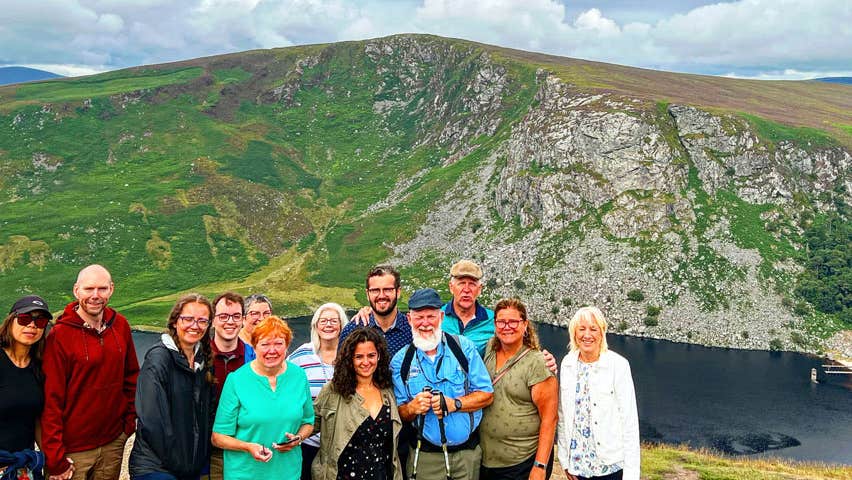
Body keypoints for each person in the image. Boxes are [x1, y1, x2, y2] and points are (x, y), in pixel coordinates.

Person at [41, 264, 139, 480]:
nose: (96, 295)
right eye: (88, 289)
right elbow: (51, 400)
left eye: (102, 289)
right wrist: (55, 458)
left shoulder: (120, 325)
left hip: (113, 442)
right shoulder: (60, 335)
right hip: (72, 449)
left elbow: (132, 377)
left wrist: (128, 424)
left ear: (111, 289)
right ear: (76, 291)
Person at [391, 288, 494, 480]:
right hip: (425, 458)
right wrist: (412, 407)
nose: (425, 323)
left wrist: (454, 404)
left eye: (431, 316)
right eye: (419, 317)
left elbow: (487, 395)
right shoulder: (400, 361)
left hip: (466, 455)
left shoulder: (464, 348)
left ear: (441, 317)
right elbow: (399, 412)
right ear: (409, 319)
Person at [212, 316, 314, 480]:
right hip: (245, 474)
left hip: (288, 473)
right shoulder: (237, 380)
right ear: (254, 346)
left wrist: (298, 438)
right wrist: (248, 447)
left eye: (278, 344)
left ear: (287, 345)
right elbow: (218, 437)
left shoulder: (299, 376)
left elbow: (308, 422)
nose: (272, 350)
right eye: (265, 344)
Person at [129, 294, 215, 480]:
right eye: (188, 319)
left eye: (202, 321)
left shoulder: (202, 362)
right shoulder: (159, 359)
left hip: (189, 466)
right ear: (175, 322)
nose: (195, 326)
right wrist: (179, 464)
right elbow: (153, 421)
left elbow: (205, 415)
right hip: (156, 465)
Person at [557, 307, 639, 480]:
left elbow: (629, 422)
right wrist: (565, 460)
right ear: (574, 333)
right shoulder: (567, 363)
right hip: (578, 465)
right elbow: (563, 415)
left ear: (602, 333)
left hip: (610, 467)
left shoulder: (618, 365)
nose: (587, 335)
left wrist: (631, 475)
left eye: (593, 329)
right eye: (582, 329)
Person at [480, 299, 557, 480]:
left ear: (525, 325)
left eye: (513, 322)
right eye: (501, 322)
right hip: (487, 461)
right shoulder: (490, 349)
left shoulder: (538, 363)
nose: (507, 327)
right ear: (495, 325)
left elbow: (550, 418)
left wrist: (540, 466)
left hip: (521, 462)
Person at [312, 327, 403, 480]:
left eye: (371, 355)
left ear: (379, 356)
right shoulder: (333, 391)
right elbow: (309, 424)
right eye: (359, 357)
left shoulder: (388, 391)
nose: (366, 362)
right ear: (349, 359)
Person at [441, 260, 558, 373]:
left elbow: (518, 346)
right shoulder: (437, 318)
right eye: (461, 283)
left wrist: (542, 361)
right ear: (451, 287)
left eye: (472, 284)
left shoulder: (494, 320)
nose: (466, 290)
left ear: (479, 289)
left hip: (479, 385)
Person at [288, 302, 349, 480]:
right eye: (323, 321)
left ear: (342, 325)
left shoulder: (350, 354)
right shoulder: (302, 355)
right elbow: (285, 385)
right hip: (309, 442)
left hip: (344, 442)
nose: (328, 325)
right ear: (315, 325)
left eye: (333, 321)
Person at [0, 296, 51, 479]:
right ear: (10, 321)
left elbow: (36, 418)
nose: (32, 325)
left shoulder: (39, 366)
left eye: (40, 321)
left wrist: (52, 460)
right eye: (24, 318)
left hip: (23, 466)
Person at [209, 291, 247, 480]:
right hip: (207, 451)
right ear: (213, 320)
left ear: (243, 320)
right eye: (223, 316)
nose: (230, 322)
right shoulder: (198, 358)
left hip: (245, 447)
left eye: (236, 316)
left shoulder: (254, 358)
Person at [341, 265, 413, 357]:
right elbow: (341, 365)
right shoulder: (351, 330)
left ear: (398, 292)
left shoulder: (412, 330)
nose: (381, 295)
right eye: (375, 290)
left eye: (387, 290)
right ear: (367, 294)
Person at [240, 293, 273, 362]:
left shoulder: (276, 342)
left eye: (266, 313)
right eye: (255, 314)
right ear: (243, 318)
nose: (262, 318)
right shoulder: (233, 346)